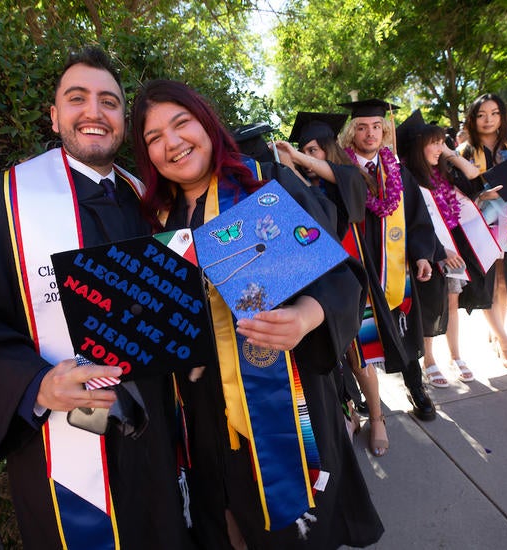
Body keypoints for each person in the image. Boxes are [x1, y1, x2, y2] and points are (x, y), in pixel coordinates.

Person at [0, 47, 192, 549]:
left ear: (122, 121)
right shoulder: (1, 201)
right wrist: (36, 386)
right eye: (77, 98)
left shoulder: (151, 201)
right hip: (62, 449)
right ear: (54, 116)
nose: (94, 112)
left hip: (155, 433)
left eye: (109, 102)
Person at [131, 79, 384, 549]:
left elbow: (340, 276)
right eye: (154, 138)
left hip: (287, 396)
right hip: (205, 415)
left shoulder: (262, 186)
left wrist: (306, 316)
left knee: (300, 533)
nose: (172, 142)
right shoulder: (153, 222)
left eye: (181, 123)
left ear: (206, 123)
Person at [273, 112, 396, 457]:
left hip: (349, 284)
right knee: (332, 359)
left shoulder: (347, 179)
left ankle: (378, 417)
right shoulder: (305, 185)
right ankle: (351, 414)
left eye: (315, 150)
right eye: (304, 150)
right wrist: (290, 166)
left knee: (360, 358)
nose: (310, 157)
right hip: (317, 286)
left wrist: (295, 156)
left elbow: (347, 183)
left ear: (329, 149)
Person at [336, 98, 439, 422]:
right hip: (359, 270)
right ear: (352, 133)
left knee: (404, 330)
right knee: (360, 337)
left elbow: (419, 219)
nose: (370, 134)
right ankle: (367, 397)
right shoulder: (341, 172)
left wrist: (423, 255)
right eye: (363, 127)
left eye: (377, 127)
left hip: (395, 271)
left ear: (385, 130)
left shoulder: (398, 173)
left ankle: (415, 386)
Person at [397, 113, 484, 388]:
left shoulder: (441, 174)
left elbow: (474, 177)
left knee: (452, 302)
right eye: (433, 143)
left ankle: (455, 355)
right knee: (430, 306)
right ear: (417, 147)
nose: (440, 148)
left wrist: (447, 151)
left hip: (452, 249)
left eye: (442, 142)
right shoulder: (407, 177)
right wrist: (439, 249)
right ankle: (429, 359)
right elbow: (411, 221)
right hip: (429, 250)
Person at [458, 93, 507, 371]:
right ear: (473, 118)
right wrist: (480, 194)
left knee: (504, 283)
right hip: (481, 225)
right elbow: (458, 191)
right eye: (481, 114)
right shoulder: (465, 152)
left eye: (494, 113)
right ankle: (505, 343)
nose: (488, 119)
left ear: (502, 116)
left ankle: (498, 331)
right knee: (488, 284)